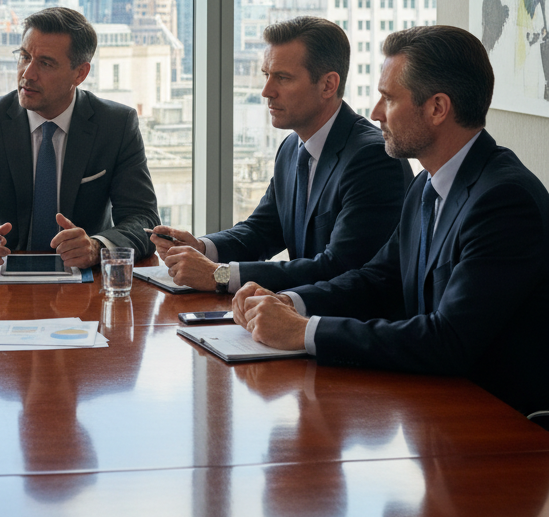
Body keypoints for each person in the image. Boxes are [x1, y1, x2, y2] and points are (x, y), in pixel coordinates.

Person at [235, 25, 549, 415]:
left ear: (437, 108)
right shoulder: (425, 187)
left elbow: (448, 339)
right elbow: (377, 280)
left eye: (388, 98)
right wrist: (289, 302)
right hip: (434, 410)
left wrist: (305, 331)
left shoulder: (504, 200)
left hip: (498, 427)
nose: (375, 113)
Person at [153, 16, 410, 293]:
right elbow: (262, 231)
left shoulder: (372, 158)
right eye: (267, 75)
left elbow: (338, 267)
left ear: (328, 85)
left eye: (283, 78)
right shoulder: (291, 148)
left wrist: (220, 275)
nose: (267, 91)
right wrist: (201, 247)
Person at [0, 7, 159, 272]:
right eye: (24, 57)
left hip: (85, 285)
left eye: (45, 63)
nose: (28, 73)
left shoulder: (116, 125)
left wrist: (97, 247)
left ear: (80, 73)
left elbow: (143, 219)